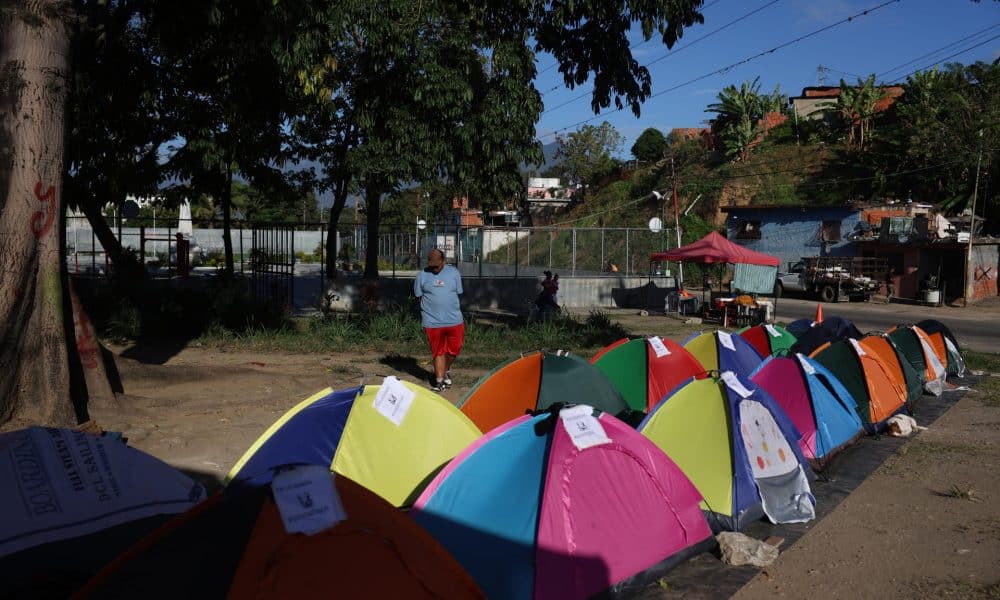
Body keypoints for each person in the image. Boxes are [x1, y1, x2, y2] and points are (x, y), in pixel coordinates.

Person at [414, 248, 464, 392]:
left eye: (438, 265)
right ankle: (439, 381)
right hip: (432, 321)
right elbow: (419, 296)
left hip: (454, 320)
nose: (435, 268)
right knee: (438, 351)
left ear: (444, 261)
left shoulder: (454, 273)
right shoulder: (422, 276)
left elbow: (458, 293)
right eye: (432, 265)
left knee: (455, 349)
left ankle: (445, 369)